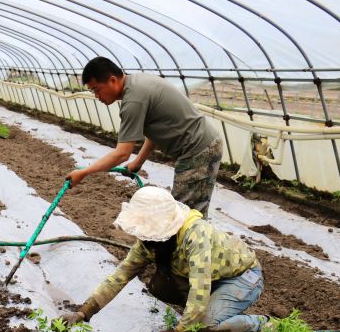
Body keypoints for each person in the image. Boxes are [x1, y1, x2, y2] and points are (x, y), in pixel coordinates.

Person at [64, 186, 267, 332]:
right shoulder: (148, 243)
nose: (141, 238)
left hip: (242, 277)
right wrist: (84, 312)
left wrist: (179, 331)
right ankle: (210, 309)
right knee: (159, 286)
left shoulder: (195, 235)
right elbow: (120, 276)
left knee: (201, 327)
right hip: (212, 278)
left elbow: (200, 287)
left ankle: (261, 325)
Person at [67, 57, 224, 216]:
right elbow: (155, 131)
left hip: (198, 150)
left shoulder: (133, 100)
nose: (96, 96)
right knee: (191, 213)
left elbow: (122, 153)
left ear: (112, 80)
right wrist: (137, 162)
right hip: (204, 145)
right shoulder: (137, 83)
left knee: (184, 217)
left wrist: (84, 173)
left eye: (97, 89)